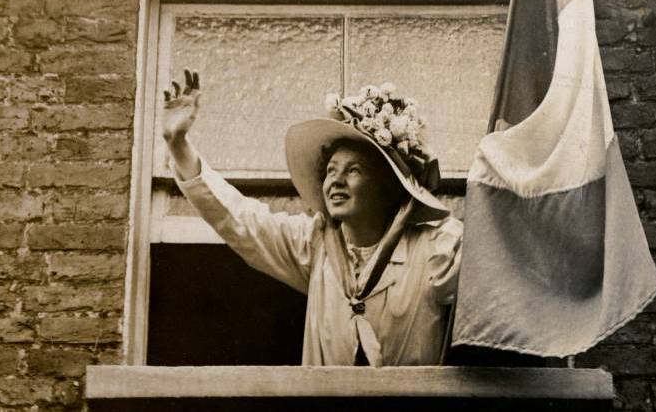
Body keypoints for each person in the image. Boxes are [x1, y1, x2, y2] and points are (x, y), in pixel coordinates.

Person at [163, 69, 463, 366]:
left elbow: (489, 275)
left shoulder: (436, 248)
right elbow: (240, 219)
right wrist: (179, 146)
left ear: (387, 187)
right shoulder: (316, 243)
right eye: (331, 171)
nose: (336, 181)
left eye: (353, 170)